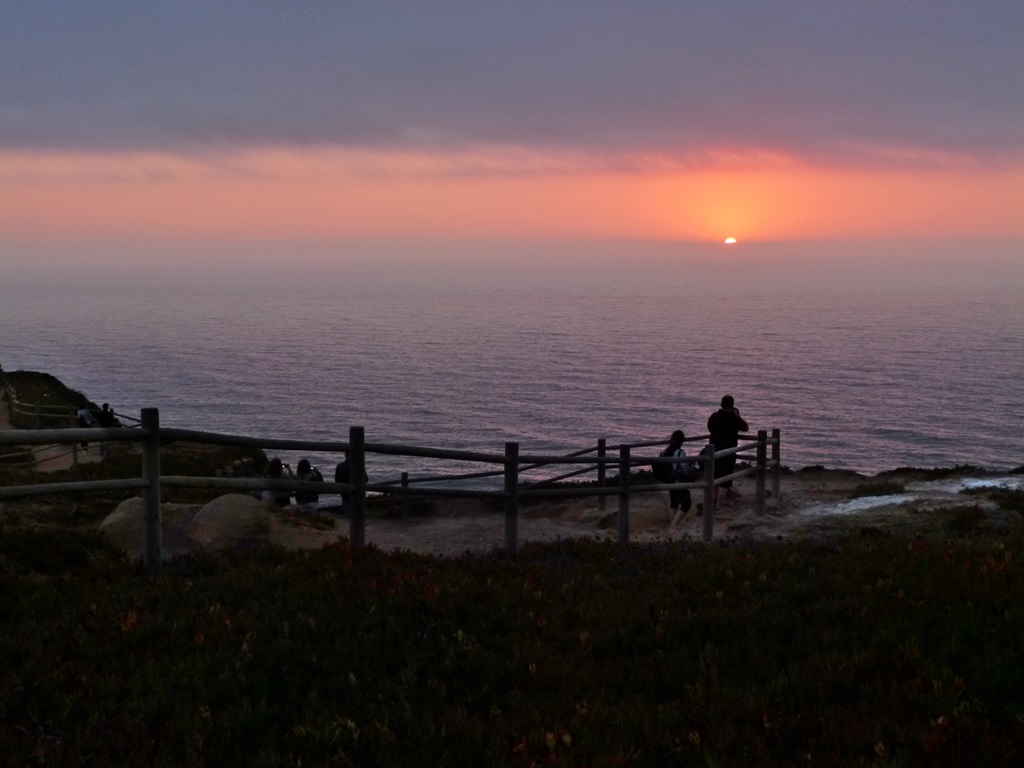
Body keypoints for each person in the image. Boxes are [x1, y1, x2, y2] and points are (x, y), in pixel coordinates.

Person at [707, 395, 749, 509]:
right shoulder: (734, 419)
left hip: (714, 451)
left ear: (721, 404)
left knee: (715, 476)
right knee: (725, 480)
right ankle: (719, 506)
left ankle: (714, 500)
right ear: (732, 405)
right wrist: (737, 416)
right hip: (729, 451)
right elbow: (745, 428)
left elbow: (709, 428)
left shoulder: (714, 416)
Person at [662, 429, 695, 526]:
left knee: (674, 502)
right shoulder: (679, 452)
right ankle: (674, 525)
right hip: (678, 481)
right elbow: (684, 469)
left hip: (669, 480)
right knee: (686, 504)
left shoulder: (668, 451)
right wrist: (692, 467)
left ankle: (672, 524)